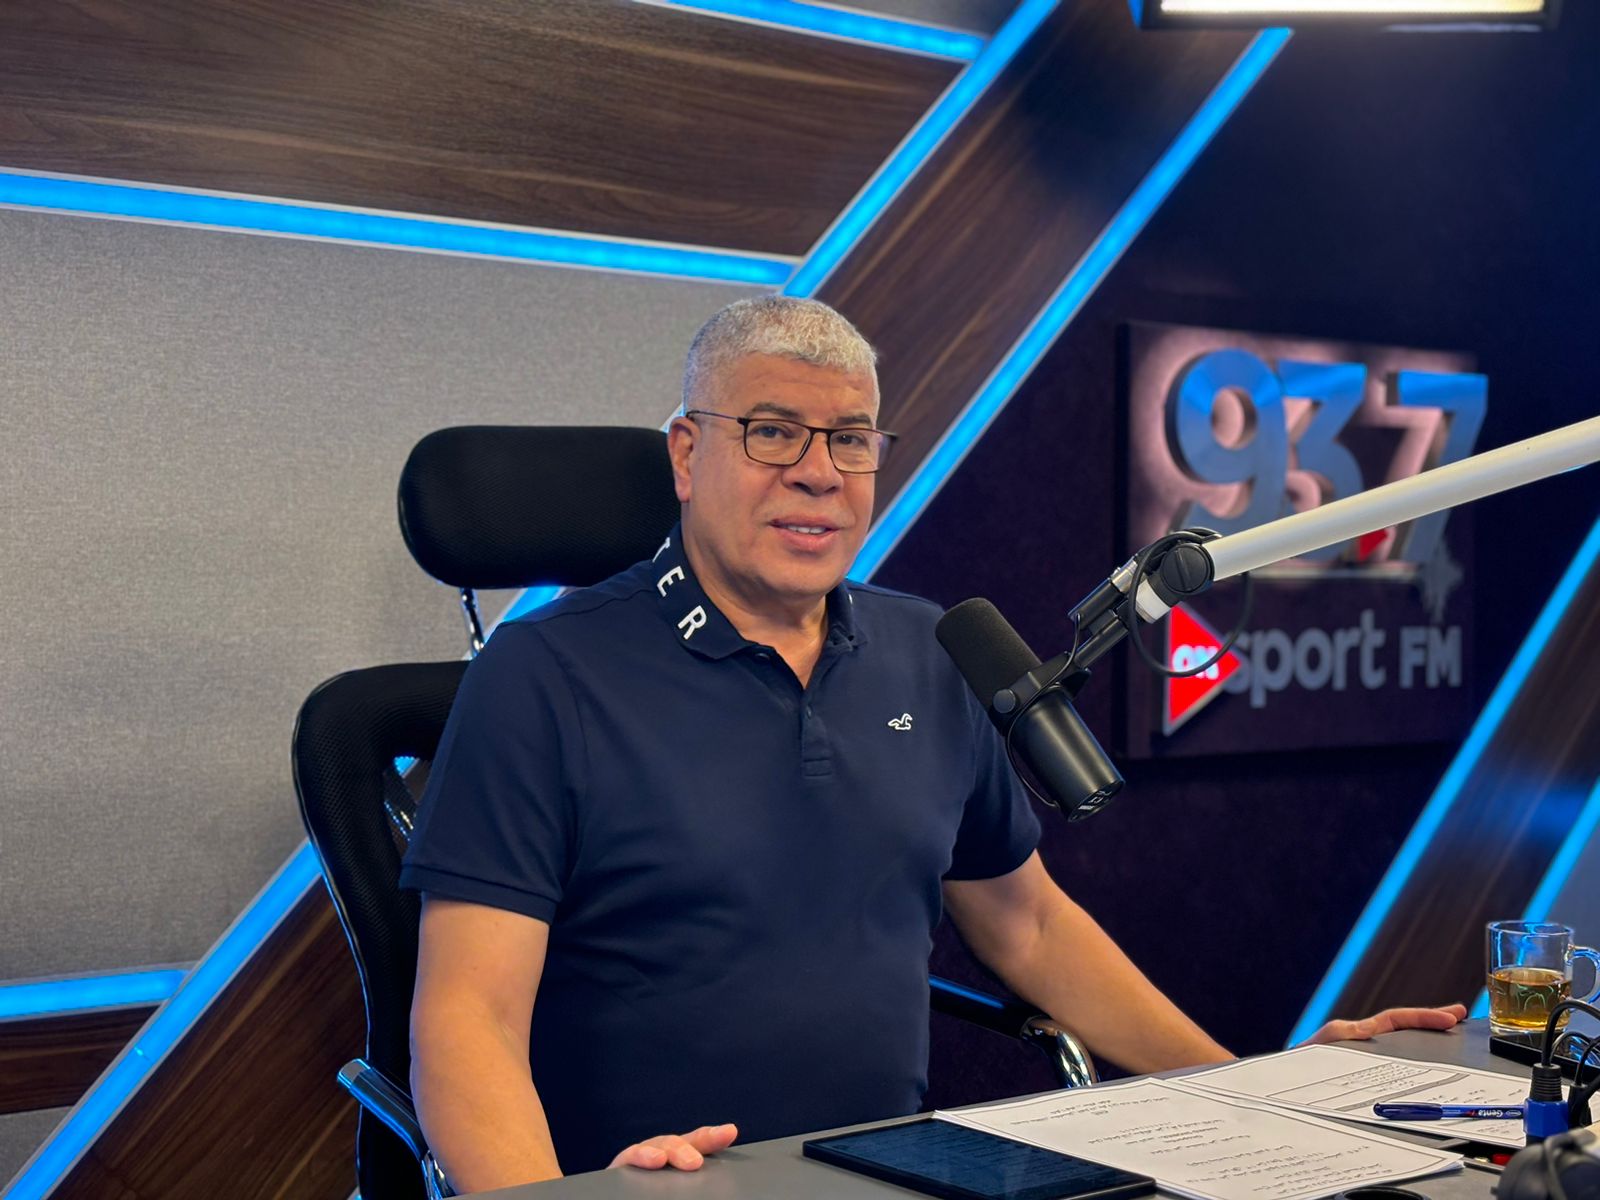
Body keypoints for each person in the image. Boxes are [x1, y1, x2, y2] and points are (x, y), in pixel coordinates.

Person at [399, 297, 1465, 1194]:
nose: (819, 473)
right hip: (643, 1180)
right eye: (772, 432)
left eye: (850, 439)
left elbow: (1030, 927)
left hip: (890, 1175)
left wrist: (1247, 1088)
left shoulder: (930, 649)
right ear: (687, 453)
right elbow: (466, 1019)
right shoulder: (544, 677)